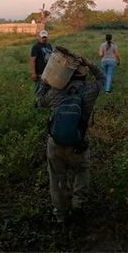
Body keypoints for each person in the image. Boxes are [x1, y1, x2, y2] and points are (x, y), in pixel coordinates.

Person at [36, 55, 105, 225]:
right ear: (84, 74)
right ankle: (77, 205)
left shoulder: (56, 91)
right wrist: (89, 63)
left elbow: (38, 101)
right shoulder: (90, 90)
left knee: (56, 178)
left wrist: (46, 79)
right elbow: (102, 78)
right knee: (81, 171)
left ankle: (60, 214)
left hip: (55, 143)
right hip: (78, 143)